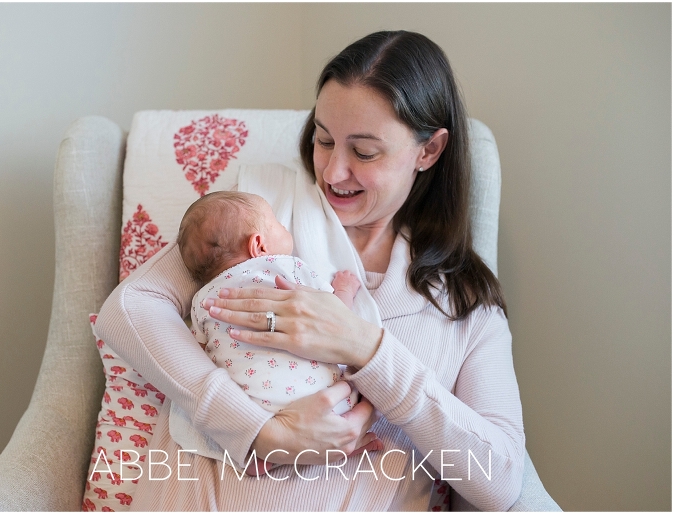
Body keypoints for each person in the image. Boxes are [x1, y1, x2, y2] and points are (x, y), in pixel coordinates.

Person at [95, 30, 525, 511]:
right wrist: (260, 432)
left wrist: (364, 348)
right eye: (324, 140)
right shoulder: (259, 219)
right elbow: (127, 310)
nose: (333, 172)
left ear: (429, 150)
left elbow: (501, 479)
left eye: (364, 152)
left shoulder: (462, 301)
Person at [171, 190, 366, 473]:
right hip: (325, 399)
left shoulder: (202, 300)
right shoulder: (287, 267)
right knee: (360, 387)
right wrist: (344, 290)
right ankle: (350, 442)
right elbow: (335, 316)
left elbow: (198, 352)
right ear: (259, 245)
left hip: (258, 414)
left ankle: (261, 460)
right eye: (276, 223)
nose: (284, 227)